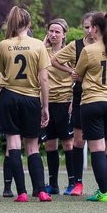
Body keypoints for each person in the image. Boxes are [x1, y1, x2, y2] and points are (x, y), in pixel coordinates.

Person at [0, 6, 52, 202]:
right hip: (31, 98)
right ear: (29, 23)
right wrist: (45, 107)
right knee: (33, 147)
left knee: (13, 145)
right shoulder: (38, 45)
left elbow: (3, 72)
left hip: (9, 97)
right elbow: (44, 80)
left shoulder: (4, 44)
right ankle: (42, 191)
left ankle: (21, 193)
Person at [72, 11, 107, 202]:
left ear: (95, 28)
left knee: (97, 149)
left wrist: (80, 76)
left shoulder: (89, 50)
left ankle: (103, 192)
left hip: (92, 102)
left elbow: (77, 73)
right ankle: (105, 189)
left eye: (90, 27)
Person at [51, 12, 97, 196]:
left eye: (92, 27)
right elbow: (55, 60)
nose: (89, 31)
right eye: (86, 27)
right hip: (79, 95)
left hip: (101, 96)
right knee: (78, 141)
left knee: (103, 143)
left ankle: (105, 186)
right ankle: (77, 183)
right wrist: (73, 71)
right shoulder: (75, 45)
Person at [40, 18, 75, 195]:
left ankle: (72, 183)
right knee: (50, 145)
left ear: (64, 35)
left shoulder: (69, 52)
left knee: (68, 144)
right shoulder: (42, 51)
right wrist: (43, 43)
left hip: (65, 101)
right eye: (51, 31)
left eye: (57, 32)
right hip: (47, 103)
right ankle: (53, 184)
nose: (53, 35)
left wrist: (73, 101)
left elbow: (78, 75)